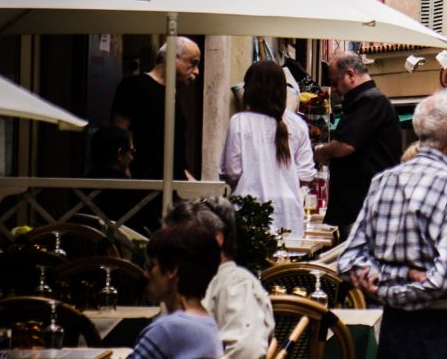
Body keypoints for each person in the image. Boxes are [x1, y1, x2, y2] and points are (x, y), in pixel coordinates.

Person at [339, 90, 447, 359]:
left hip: (395, 325)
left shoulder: (385, 180)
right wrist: (407, 277)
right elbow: (442, 278)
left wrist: (385, 285)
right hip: (443, 329)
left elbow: (349, 260)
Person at [165, 198, 274, 359]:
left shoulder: (235, 283)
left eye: (185, 238)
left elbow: (246, 352)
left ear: (217, 240)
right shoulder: (198, 283)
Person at [220, 61, 317, 238]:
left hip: (249, 209)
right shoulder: (298, 124)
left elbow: (231, 172)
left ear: (250, 89)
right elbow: (306, 174)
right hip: (288, 213)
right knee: (286, 264)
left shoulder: (240, 122)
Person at [314, 52, 402, 236]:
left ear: (351, 75)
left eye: (335, 81)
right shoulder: (370, 100)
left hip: (362, 206)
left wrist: (322, 152)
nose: (334, 89)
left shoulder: (369, 100)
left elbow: (346, 145)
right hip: (365, 206)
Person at [112, 38, 202, 181]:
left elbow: (177, 161)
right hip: (143, 186)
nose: (196, 72)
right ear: (172, 57)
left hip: (172, 188)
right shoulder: (134, 86)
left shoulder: (172, 95)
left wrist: (195, 188)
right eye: (193, 63)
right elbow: (117, 136)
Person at [129, 223, 223, 359]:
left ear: (172, 270)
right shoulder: (208, 323)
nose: (145, 274)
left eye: (151, 266)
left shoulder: (167, 330)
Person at [88, 124, 139, 224]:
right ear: (119, 154)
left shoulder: (80, 185)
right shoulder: (129, 190)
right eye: (131, 151)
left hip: (85, 237)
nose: (132, 158)